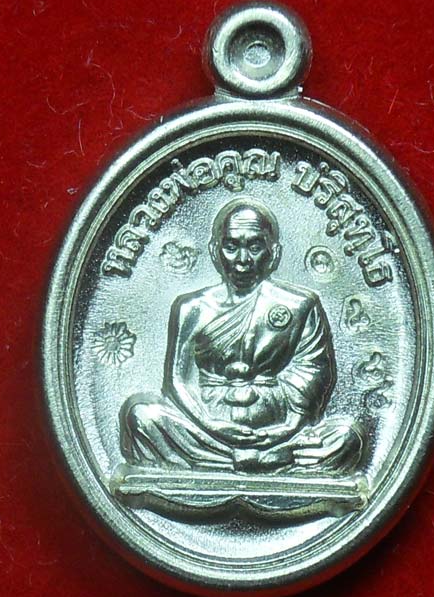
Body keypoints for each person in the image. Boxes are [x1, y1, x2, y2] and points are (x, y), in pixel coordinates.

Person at [120, 198, 365, 474]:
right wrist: (212, 425)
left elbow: (313, 374)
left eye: (255, 247)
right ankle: (258, 462)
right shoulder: (191, 308)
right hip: (205, 433)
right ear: (215, 252)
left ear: (274, 253)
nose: (243, 260)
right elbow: (178, 382)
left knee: (346, 438)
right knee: (141, 416)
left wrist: (287, 428)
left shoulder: (300, 306)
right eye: (231, 246)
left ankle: (248, 461)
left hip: (280, 433)